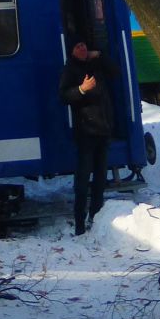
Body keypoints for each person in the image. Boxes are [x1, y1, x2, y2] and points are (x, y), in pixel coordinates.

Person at [59, 38, 119, 235]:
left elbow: (116, 72)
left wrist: (100, 55)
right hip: (86, 131)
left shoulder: (96, 65)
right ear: (72, 51)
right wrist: (81, 90)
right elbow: (63, 96)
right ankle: (79, 221)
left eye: (84, 45)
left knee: (101, 176)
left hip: (103, 128)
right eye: (78, 46)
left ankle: (95, 214)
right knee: (83, 178)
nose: (82, 48)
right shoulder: (70, 69)